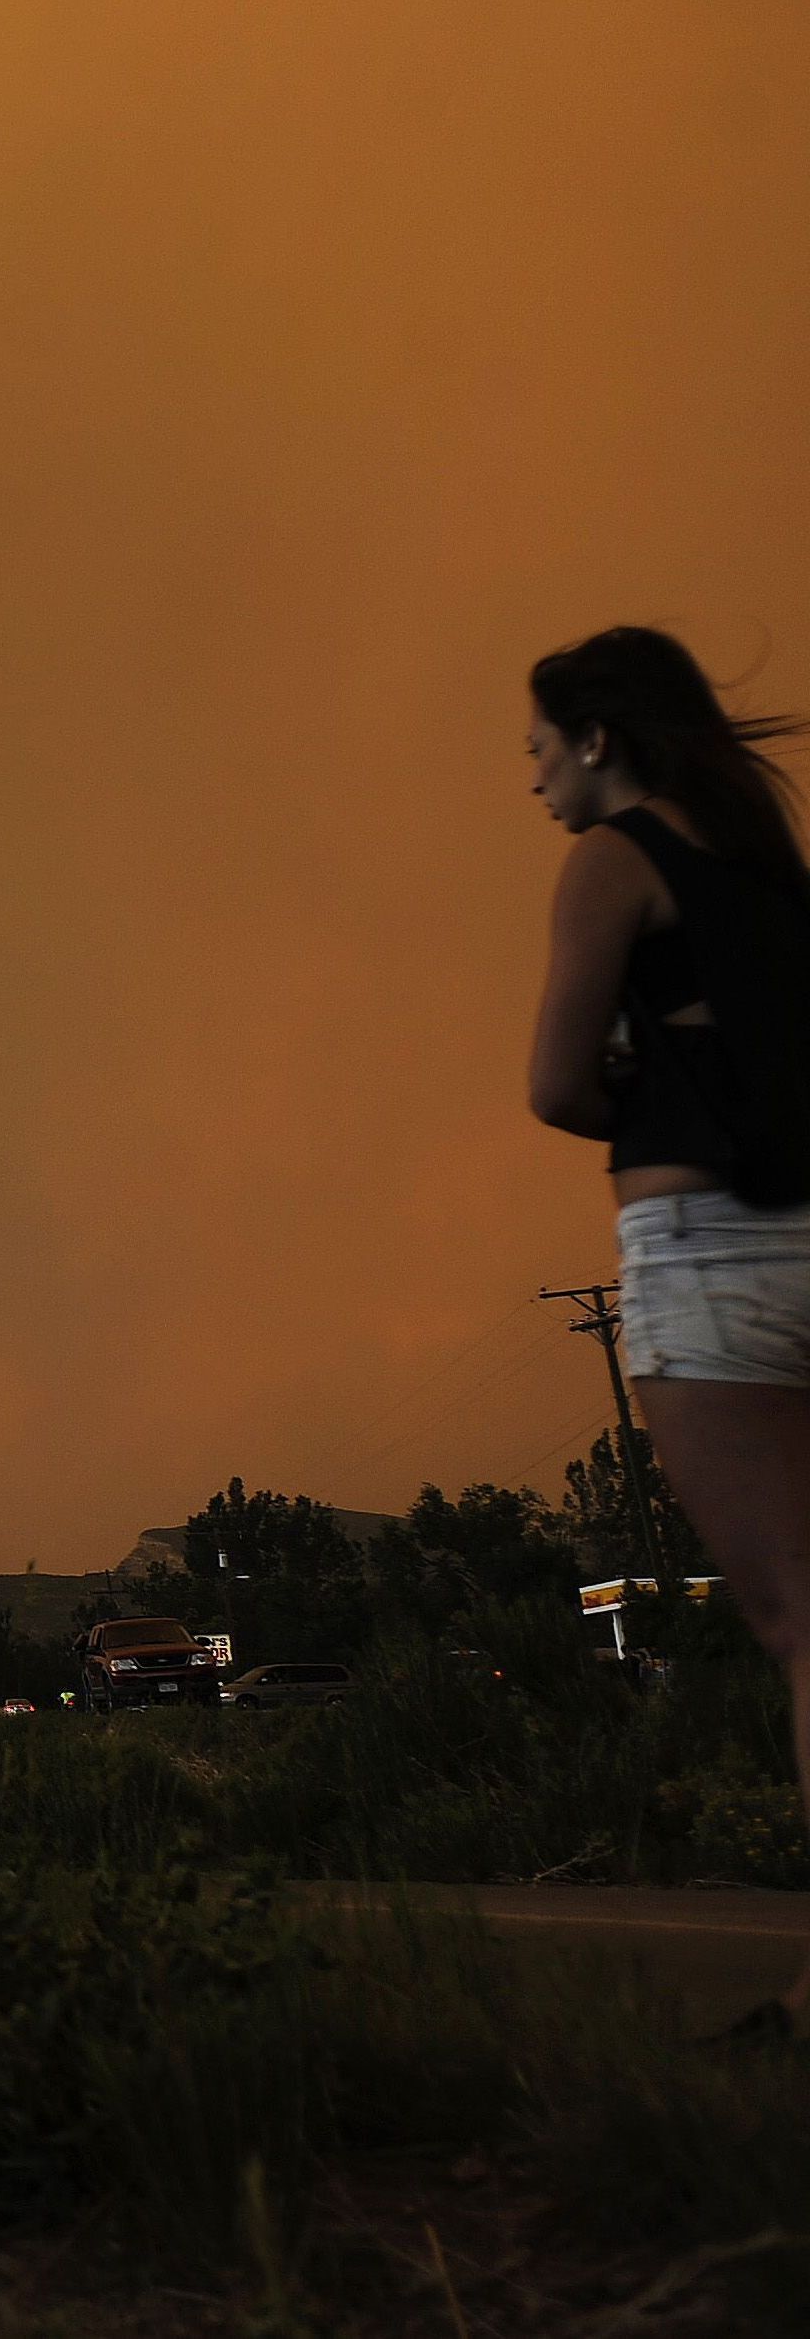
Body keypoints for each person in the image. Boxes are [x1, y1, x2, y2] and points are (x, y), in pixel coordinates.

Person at [525, 625, 810, 2040]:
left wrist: (641, 1083)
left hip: (709, 1256)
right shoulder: (766, 870)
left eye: (538, 745)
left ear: (598, 739)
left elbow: (555, 1085)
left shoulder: (612, 859)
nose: (529, 779)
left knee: (803, 1629)